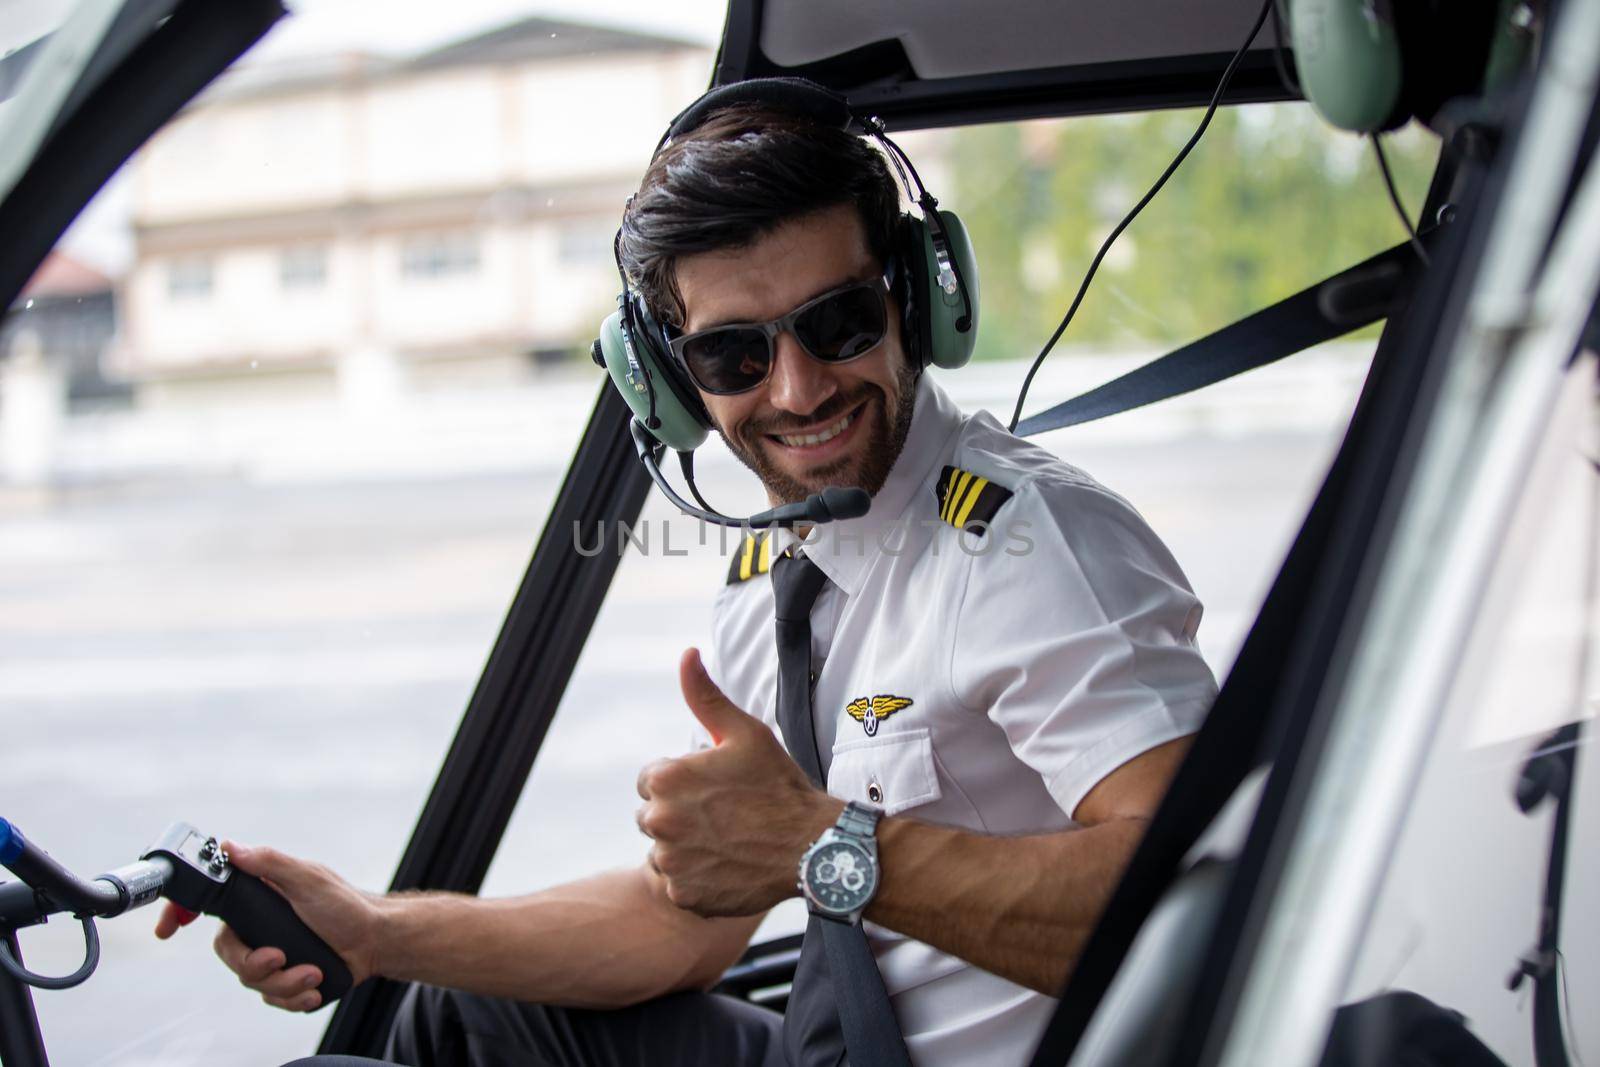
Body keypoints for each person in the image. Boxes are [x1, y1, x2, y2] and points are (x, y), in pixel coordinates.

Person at [156, 83, 1217, 1067]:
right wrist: (378, 928)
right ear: (665, 379)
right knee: (458, 1016)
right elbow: (687, 924)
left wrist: (822, 844)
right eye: (733, 357)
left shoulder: (1030, 548)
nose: (798, 389)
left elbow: (1198, 899)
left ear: (914, 298)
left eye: (838, 322)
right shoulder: (777, 569)